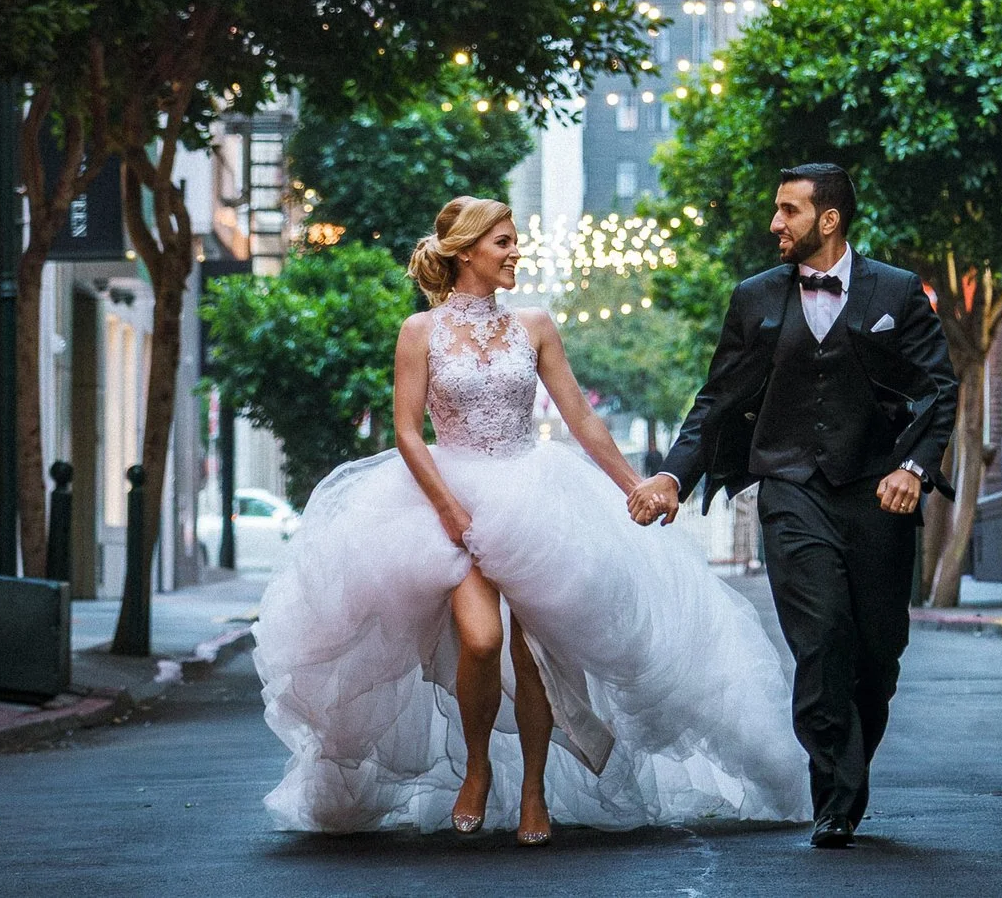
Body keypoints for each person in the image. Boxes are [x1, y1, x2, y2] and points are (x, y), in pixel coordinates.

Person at [252, 195, 808, 841]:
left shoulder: (535, 323)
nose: (517, 251)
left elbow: (581, 417)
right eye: (504, 242)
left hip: (533, 491)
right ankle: (479, 767)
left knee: (537, 649)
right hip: (445, 492)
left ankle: (536, 790)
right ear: (466, 251)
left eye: (516, 241)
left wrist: (638, 485)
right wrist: (449, 508)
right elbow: (407, 431)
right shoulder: (420, 331)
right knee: (482, 638)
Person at [627, 163, 958, 848]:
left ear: (827, 219)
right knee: (822, 634)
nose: (775, 223)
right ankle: (834, 796)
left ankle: (849, 772)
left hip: (877, 494)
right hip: (791, 489)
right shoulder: (755, 299)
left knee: (877, 651)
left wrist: (913, 466)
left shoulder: (896, 291)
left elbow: (939, 389)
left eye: (788, 210)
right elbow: (715, 402)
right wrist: (671, 478)